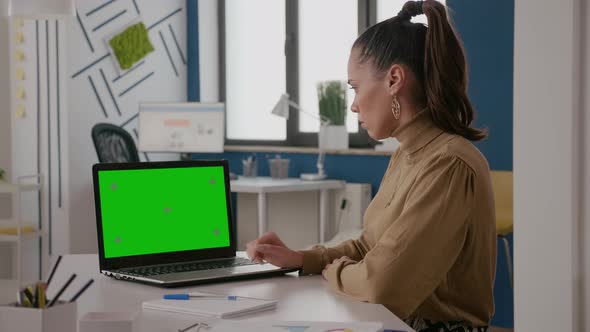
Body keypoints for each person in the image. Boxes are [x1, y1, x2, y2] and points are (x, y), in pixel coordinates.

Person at [246, 1, 496, 331]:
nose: (352, 105)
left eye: (355, 87)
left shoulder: (448, 164)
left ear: (394, 79)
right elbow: (370, 247)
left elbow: (382, 285)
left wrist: (331, 271)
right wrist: (303, 259)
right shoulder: (407, 153)